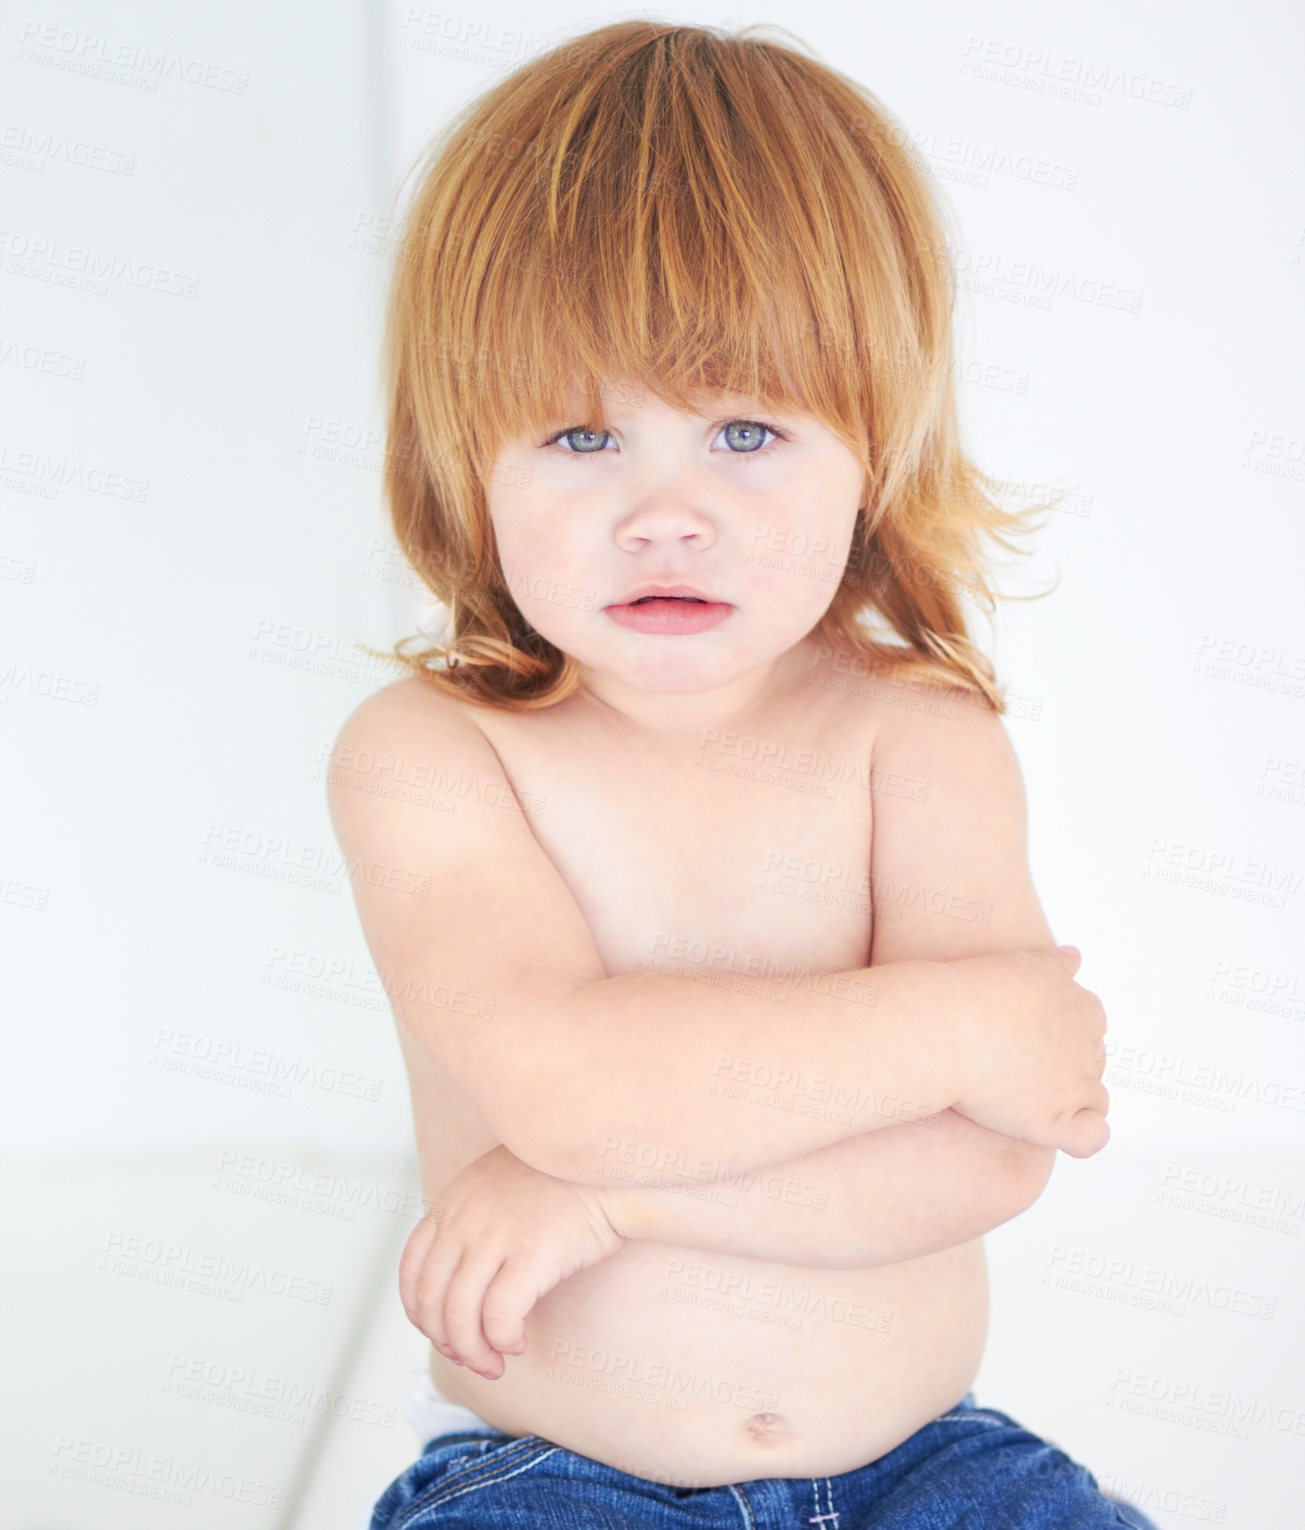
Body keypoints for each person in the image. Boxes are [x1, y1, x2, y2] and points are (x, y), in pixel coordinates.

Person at [326, 19, 1157, 1528]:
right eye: (580, 432)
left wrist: (614, 1196)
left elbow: (991, 1158)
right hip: (560, 1476)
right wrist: (963, 1019)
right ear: (462, 459)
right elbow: (567, 1081)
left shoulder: (914, 737)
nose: (665, 510)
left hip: (927, 1462)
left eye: (747, 428)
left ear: (873, 455)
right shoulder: (441, 756)